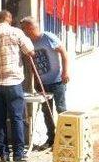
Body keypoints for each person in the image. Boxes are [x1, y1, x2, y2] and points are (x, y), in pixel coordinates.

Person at [0, 10, 35, 162]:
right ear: (9, 19)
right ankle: (18, 154)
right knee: (16, 118)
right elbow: (30, 51)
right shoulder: (16, 32)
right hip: (13, 82)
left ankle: (3, 154)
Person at [20, 16, 70, 149]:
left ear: (30, 27)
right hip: (42, 82)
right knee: (46, 111)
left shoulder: (48, 37)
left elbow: (64, 53)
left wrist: (65, 72)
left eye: (24, 29)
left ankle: (66, 140)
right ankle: (52, 139)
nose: (23, 31)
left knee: (61, 109)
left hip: (57, 80)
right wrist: (35, 80)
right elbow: (30, 63)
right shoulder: (28, 42)